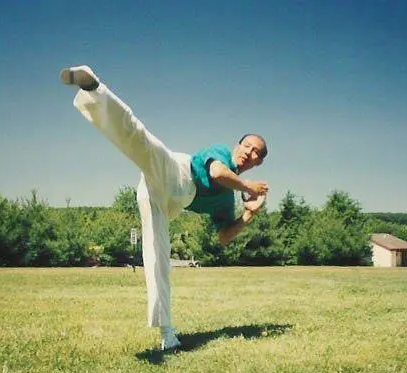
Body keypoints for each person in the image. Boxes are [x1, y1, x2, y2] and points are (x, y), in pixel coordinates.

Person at [60, 65, 269, 350]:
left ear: (258, 163)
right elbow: (218, 173)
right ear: (238, 146)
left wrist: (248, 214)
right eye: (249, 147)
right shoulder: (221, 152)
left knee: (159, 258)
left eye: (257, 155)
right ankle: (94, 89)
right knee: (145, 142)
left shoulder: (226, 200)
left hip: (169, 200)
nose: (250, 154)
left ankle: (166, 335)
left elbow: (223, 237)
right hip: (176, 173)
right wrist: (249, 188)